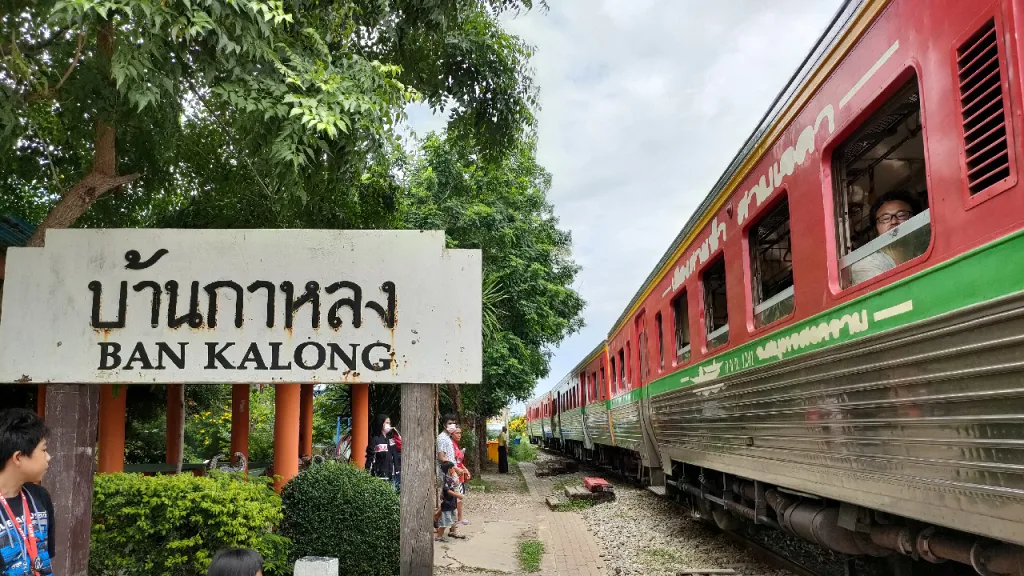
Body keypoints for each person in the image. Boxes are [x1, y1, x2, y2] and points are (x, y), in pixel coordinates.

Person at [0, 408, 54, 576]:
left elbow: (45, 557)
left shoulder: (40, 496)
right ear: (18, 458)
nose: (48, 457)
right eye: (44, 450)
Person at [849, 190, 922, 285]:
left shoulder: (922, 252)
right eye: (885, 218)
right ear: (876, 230)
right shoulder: (865, 265)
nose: (894, 221)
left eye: (902, 215)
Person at [434, 462, 465, 543]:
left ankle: (453, 532)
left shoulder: (450, 478)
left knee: (453, 518)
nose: (454, 469)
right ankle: (438, 536)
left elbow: (455, 483)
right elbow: (447, 491)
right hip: (447, 503)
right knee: (445, 522)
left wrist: (460, 475)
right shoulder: (445, 479)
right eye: (452, 468)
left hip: (452, 503)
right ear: (449, 469)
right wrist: (457, 495)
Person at [365, 414, 398, 491]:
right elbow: (370, 458)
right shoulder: (375, 440)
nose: (388, 425)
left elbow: (395, 455)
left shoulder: (391, 440)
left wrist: (397, 471)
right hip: (379, 476)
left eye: (389, 423)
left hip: (391, 476)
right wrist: (367, 474)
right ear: (381, 423)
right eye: (386, 423)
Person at [451, 426, 471, 526]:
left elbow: (459, 462)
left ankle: (458, 518)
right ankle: (459, 518)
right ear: (451, 434)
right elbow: (452, 463)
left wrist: (465, 470)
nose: (459, 435)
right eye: (457, 433)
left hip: (460, 475)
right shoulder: (451, 446)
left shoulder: (456, 445)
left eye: (460, 433)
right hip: (455, 476)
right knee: (458, 497)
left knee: (457, 497)